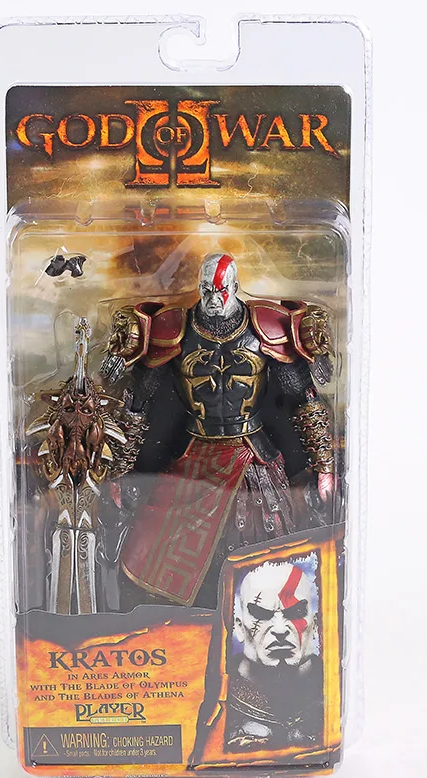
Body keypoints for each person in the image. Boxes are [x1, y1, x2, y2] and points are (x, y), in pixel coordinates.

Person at [100, 253, 335, 609]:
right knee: (159, 546)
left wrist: (324, 468)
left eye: (221, 290)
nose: (213, 298)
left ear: (236, 287)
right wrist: (118, 472)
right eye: (206, 289)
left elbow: (304, 397)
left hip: (252, 453)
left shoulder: (267, 328)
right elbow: (138, 401)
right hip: (196, 453)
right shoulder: (174, 330)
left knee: (261, 549)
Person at [226, 560, 323, 749]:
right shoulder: (212, 694)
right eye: (261, 614)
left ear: (315, 625)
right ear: (239, 627)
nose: (279, 629)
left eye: (295, 612)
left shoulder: (336, 689)